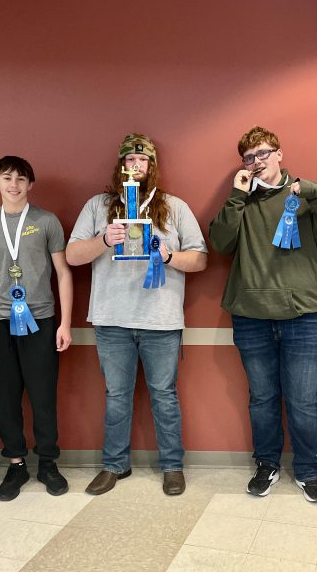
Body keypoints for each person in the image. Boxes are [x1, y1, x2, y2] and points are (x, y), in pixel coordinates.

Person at [209, 126, 317, 503]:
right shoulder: (242, 198)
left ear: (280, 153)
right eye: (249, 157)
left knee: (303, 399)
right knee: (262, 397)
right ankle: (267, 464)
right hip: (251, 314)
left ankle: (307, 470)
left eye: (264, 154)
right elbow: (220, 243)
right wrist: (237, 195)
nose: (258, 162)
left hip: (306, 314)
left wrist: (316, 195)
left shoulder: (306, 194)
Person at [66, 133, 207, 496]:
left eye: (142, 161)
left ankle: (172, 466)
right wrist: (104, 240)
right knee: (116, 395)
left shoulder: (174, 207)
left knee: (164, 395)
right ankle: (114, 465)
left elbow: (200, 258)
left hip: (160, 320)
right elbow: (72, 256)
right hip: (112, 320)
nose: (136, 166)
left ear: (152, 166)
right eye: (130, 160)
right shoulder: (99, 206)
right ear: (120, 166)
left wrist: (169, 257)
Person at [0, 156, 73, 501]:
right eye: (6, 177)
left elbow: (63, 272)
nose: (14, 184)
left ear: (30, 184)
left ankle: (47, 462)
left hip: (41, 321)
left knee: (43, 395)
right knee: (6, 396)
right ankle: (16, 464)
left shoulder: (47, 221)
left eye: (21, 179)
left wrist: (65, 322)